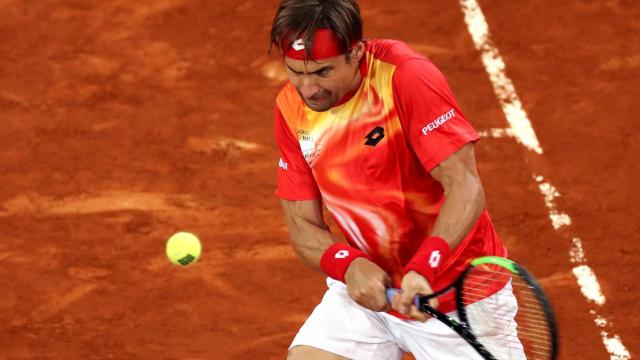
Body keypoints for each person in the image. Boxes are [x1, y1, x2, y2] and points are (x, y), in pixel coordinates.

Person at [270, 0, 510, 359]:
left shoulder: (404, 77)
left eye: (322, 72)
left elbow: (466, 185)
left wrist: (424, 266)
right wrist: (348, 264)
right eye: (295, 72)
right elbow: (302, 226)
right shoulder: (291, 109)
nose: (308, 89)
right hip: (369, 297)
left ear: (356, 53)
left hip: (456, 296)